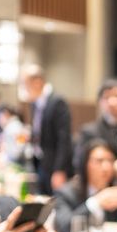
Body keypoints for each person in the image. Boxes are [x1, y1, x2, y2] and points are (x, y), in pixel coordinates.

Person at [54, 139, 117, 232]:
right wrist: (95, 202)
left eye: (110, 160)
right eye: (99, 161)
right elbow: (64, 228)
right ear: (85, 164)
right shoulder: (66, 193)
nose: (106, 167)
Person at [22, 64, 73, 195]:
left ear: (37, 82)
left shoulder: (57, 102)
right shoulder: (34, 103)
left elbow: (64, 139)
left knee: (55, 199)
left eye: (25, 84)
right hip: (40, 161)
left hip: (54, 165)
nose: (24, 89)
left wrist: (59, 170)